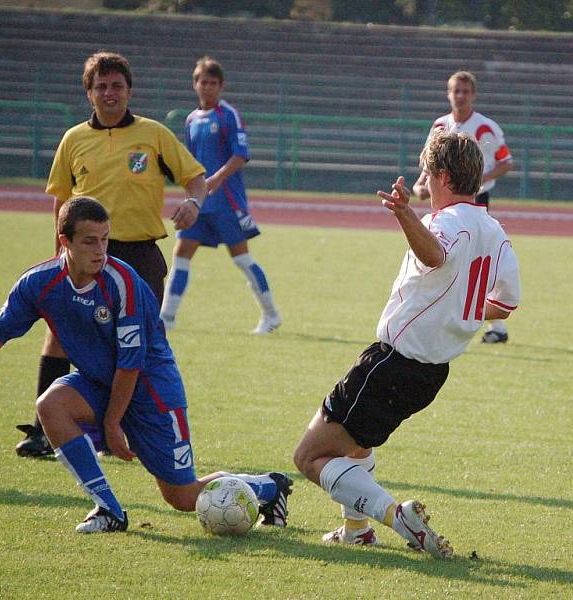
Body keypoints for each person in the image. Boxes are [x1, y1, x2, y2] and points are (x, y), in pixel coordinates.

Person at [0, 197, 292, 533]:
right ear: (64, 241)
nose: (100, 250)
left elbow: (131, 363)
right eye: (89, 241)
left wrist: (112, 424)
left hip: (151, 388)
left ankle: (269, 487)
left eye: (105, 240)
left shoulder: (122, 282)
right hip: (98, 383)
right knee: (50, 405)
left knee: (183, 496)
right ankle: (109, 509)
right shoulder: (39, 282)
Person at [294, 132, 520, 557]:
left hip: (393, 362)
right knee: (359, 444)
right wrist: (463, 311)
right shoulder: (495, 230)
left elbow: (435, 255)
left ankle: (395, 515)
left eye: (426, 173)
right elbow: (505, 304)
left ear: (444, 176)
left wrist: (404, 215)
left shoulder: (445, 221)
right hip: (431, 375)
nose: (422, 182)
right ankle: (357, 530)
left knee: (308, 457)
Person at [15, 51, 208, 458]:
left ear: (129, 90)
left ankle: (123, 430)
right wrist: (59, 256)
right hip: (83, 257)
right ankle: (42, 433)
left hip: (138, 257)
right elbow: (62, 205)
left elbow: (195, 178)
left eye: (116, 85)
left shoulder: (153, 134)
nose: (109, 93)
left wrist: (194, 203)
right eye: (100, 86)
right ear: (89, 93)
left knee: (133, 347)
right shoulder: (74, 139)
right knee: (59, 337)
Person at [159, 56, 281, 335]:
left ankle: (271, 315)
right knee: (181, 254)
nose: (208, 87)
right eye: (203, 82)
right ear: (195, 84)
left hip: (226, 201)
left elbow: (241, 154)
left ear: (221, 86)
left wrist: (215, 179)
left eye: (213, 83)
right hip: (199, 203)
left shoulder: (229, 115)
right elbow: (188, 160)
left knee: (241, 258)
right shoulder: (191, 119)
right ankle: (166, 318)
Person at [412, 70, 514, 344]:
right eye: (456, 91)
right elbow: (427, 164)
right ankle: (441, 319)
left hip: (475, 202)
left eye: (465, 91)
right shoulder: (440, 126)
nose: (460, 96)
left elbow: (506, 161)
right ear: (448, 94)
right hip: (443, 202)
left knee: (476, 263)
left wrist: (478, 179)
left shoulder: (485, 128)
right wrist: (420, 185)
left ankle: (494, 326)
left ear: (474, 95)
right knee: (443, 259)